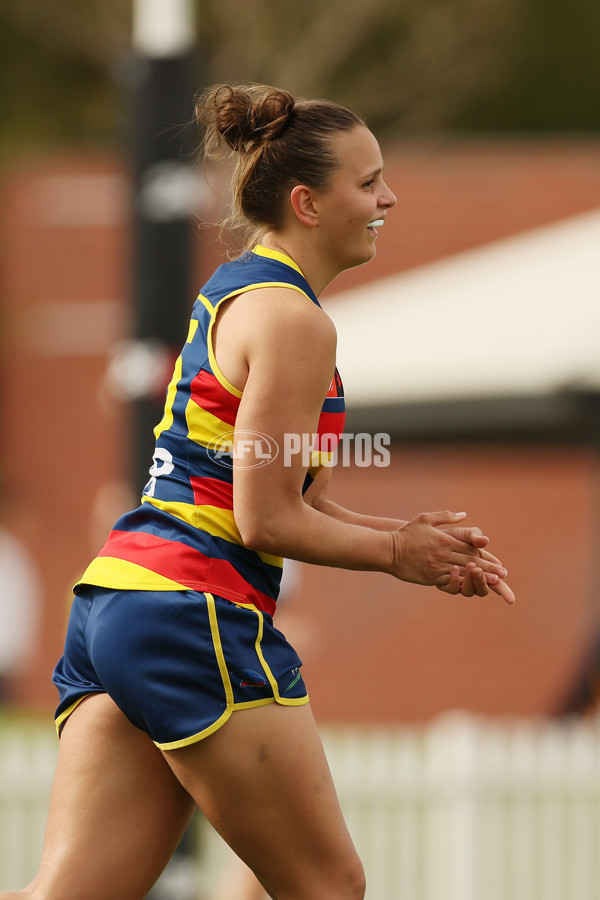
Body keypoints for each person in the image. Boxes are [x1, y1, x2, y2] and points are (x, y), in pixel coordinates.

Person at [1, 83, 514, 900]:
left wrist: (412, 539)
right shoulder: (293, 321)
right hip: (189, 613)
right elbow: (265, 515)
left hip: (118, 605)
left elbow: (259, 488)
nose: (389, 197)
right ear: (308, 202)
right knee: (329, 888)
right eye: (369, 180)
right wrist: (394, 552)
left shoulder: (240, 289)